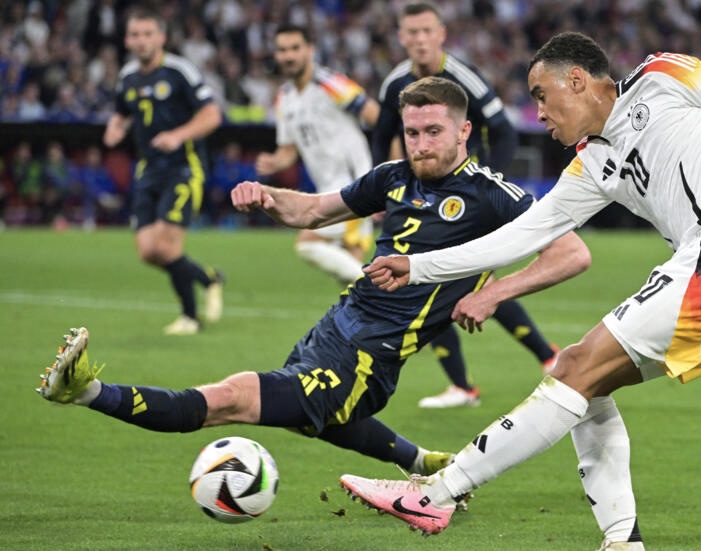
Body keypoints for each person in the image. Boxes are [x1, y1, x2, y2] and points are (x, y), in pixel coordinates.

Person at [338, 32, 701, 550]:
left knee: (576, 371)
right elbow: (523, 235)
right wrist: (419, 267)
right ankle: (622, 538)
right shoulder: (591, 164)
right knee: (584, 381)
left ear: (577, 80)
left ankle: (436, 493)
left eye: (541, 96)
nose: (538, 113)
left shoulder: (665, 76)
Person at [36, 77, 590, 491]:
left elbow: (572, 253)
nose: (420, 144)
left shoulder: (492, 194)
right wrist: (268, 196)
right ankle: (423, 463)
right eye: (411, 132)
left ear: (464, 131)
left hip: (369, 360)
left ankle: (85, 392)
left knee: (231, 399)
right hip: (333, 329)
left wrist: (491, 293)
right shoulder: (393, 177)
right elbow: (314, 211)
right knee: (314, 420)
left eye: (433, 132)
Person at [374, 0, 560, 408]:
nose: (420, 39)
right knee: (447, 280)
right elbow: (381, 135)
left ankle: (487, 377)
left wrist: (483, 184)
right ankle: (540, 359)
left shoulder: (464, 77)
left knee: (448, 279)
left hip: (463, 198)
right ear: (401, 37)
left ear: (441, 34)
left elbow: (503, 131)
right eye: (412, 32)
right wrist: (382, 192)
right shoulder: (394, 84)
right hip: (421, 197)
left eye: (427, 31)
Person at [103, 8, 224, 336]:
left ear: (162, 38)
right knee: (148, 251)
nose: (141, 41)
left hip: (184, 168)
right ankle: (208, 278)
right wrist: (115, 127)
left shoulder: (179, 71)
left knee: (167, 248)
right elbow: (122, 112)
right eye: (135, 35)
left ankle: (190, 318)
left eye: (147, 34)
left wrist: (178, 136)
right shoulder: (128, 76)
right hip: (148, 170)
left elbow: (212, 116)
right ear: (127, 40)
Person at [254, 24, 379, 285]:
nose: (289, 56)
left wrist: (383, 175)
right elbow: (289, 150)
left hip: (352, 185)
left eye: (295, 48)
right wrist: (274, 162)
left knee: (308, 244)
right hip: (326, 189)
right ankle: (380, 298)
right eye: (282, 50)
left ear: (309, 50)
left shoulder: (331, 84)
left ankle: (384, 293)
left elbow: (376, 117)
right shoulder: (284, 97)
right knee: (349, 280)